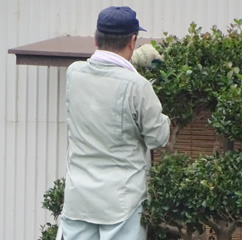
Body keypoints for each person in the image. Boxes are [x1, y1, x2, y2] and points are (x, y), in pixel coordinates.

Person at [60, 6, 170, 240]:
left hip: (79, 199)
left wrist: (129, 64)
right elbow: (157, 137)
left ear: (95, 38)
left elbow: (102, 76)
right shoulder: (138, 86)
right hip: (121, 202)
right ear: (132, 40)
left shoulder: (74, 74)